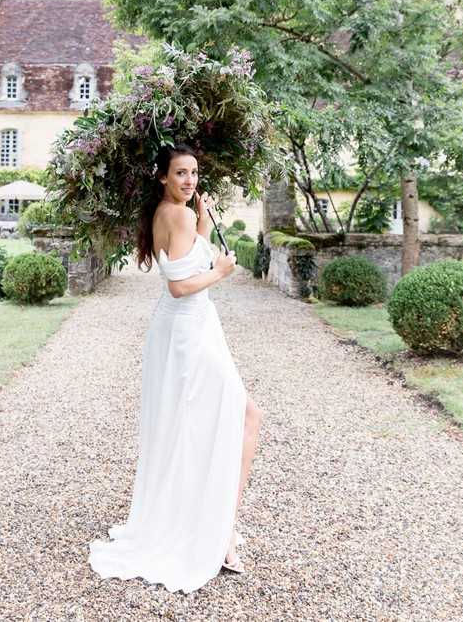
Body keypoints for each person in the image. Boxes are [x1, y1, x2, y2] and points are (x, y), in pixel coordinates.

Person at [88, 143, 262, 593]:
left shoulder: (170, 213)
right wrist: (222, 271)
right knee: (243, 417)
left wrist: (202, 212)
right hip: (190, 330)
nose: (189, 180)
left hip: (185, 328)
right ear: (163, 176)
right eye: (181, 173)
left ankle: (215, 522)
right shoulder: (176, 214)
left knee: (201, 424)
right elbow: (183, 284)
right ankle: (221, 529)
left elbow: (191, 251)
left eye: (194, 173)